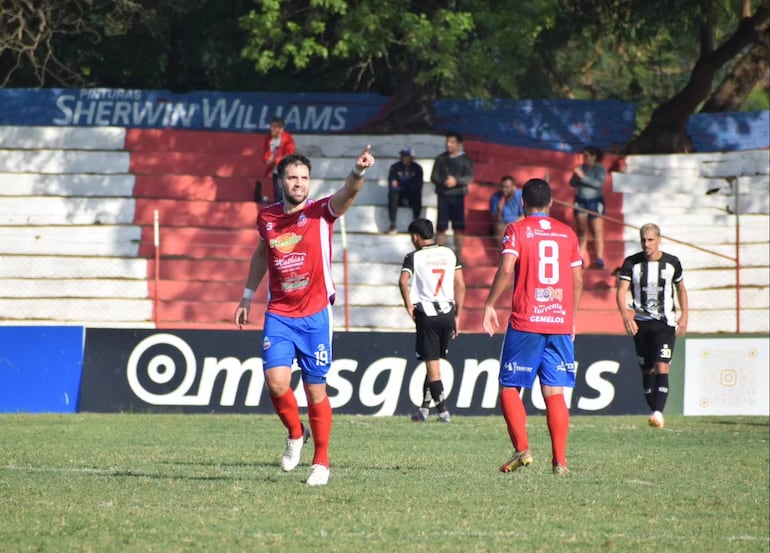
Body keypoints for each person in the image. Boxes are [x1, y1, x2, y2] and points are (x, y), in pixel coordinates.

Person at [234, 146, 376, 486]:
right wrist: (247, 295)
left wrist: (358, 173)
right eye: (292, 177)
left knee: (315, 391)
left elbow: (347, 194)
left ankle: (321, 463)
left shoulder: (319, 212)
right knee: (276, 382)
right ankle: (296, 433)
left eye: (304, 178)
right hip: (280, 313)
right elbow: (260, 254)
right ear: (280, 180)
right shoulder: (267, 217)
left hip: (315, 316)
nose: (299, 183)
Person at [482, 178, 583, 476]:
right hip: (560, 321)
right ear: (551, 204)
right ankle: (560, 462)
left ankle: (522, 448)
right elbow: (577, 280)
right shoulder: (568, 234)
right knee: (554, 392)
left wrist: (489, 303)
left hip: (527, 320)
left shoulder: (517, 229)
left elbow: (506, 267)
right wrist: (571, 317)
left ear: (522, 204)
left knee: (510, 387)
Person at [616, 223, 689, 430]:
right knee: (646, 369)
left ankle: (658, 412)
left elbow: (681, 290)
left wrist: (684, 316)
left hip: (665, 323)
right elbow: (621, 291)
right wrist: (625, 317)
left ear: (659, 240)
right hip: (640, 323)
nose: (647, 244)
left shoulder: (672, 263)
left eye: (650, 240)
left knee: (662, 365)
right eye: (643, 240)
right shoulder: (631, 263)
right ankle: (653, 410)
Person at [398, 218, 466, 423]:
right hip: (447, 313)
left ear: (415, 237)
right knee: (434, 361)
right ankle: (424, 410)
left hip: (427, 315)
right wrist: (458, 316)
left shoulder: (414, 256)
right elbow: (461, 285)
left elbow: (403, 281)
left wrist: (408, 305)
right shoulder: (449, 253)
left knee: (432, 366)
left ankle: (444, 412)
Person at [430, 132, 474, 259]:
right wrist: (444, 181)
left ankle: (458, 257)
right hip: (443, 196)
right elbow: (433, 177)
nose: (449, 145)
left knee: (458, 227)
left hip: (458, 196)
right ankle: (438, 257)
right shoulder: (440, 159)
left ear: (459, 144)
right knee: (441, 227)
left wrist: (456, 181)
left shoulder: (466, 159)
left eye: (452, 142)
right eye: (447, 142)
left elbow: (469, 177)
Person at [569, 145, 606, 270]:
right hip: (581, 202)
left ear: (594, 157)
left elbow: (598, 184)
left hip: (595, 202)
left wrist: (583, 177)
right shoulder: (580, 168)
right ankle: (581, 258)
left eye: (586, 156)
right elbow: (572, 183)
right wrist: (576, 175)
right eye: (583, 156)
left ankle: (599, 258)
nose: (584, 158)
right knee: (582, 231)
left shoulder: (600, 169)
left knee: (597, 231)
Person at [386, 147, 424, 234]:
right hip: (399, 195)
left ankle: (416, 222)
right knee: (392, 194)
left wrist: (401, 183)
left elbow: (418, 186)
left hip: (412, 195)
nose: (404, 158)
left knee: (417, 195)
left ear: (412, 158)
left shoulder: (417, 168)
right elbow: (392, 186)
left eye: (407, 156)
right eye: (403, 156)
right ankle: (393, 224)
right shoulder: (395, 167)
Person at [263, 117, 296, 203]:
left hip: (285, 170)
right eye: (271, 127)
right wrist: (267, 159)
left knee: (285, 194)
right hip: (275, 171)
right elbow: (266, 152)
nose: (271, 129)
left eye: (274, 127)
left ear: (281, 129)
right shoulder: (269, 138)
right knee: (277, 195)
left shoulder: (288, 138)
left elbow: (289, 154)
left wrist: (276, 159)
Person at [489, 175, 524, 241]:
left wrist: (510, 225)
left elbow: (524, 215)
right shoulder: (495, 198)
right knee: (498, 227)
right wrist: (499, 211)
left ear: (514, 187)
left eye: (507, 187)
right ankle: (503, 251)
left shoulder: (520, 196)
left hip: (517, 224)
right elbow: (495, 219)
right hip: (502, 225)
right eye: (502, 187)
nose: (504, 190)